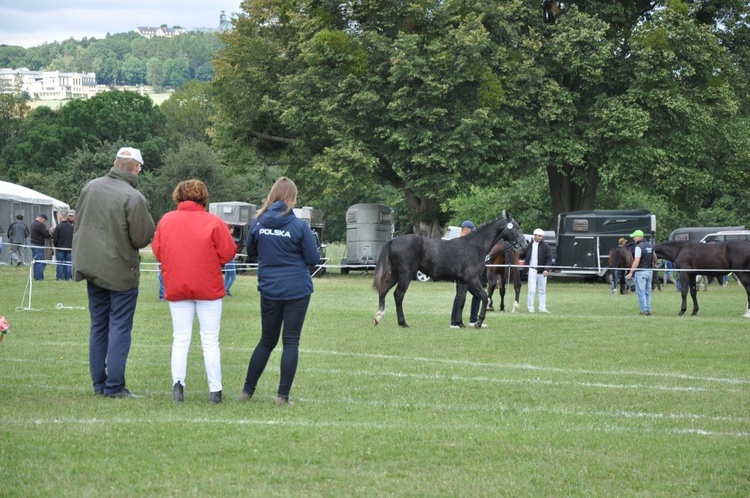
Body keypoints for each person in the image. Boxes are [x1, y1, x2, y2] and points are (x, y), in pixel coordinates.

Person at [73, 146, 156, 398]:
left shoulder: (90, 187)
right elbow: (142, 238)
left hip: (92, 266)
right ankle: (115, 387)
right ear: (137, 169)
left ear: (115, 163)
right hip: (120, 270)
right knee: (119, 327)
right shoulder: (134, 197)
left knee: (98, 325)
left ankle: (100, 384)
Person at [152, 180, 237, 404]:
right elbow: (228, 252)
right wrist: (211, 261)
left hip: (177, 285)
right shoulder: (214, 222)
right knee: (210, 340)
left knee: (180, 339)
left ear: (178, 196)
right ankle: (215, 391)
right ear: (203, 197)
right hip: (208, 286)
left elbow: (158, 251)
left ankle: (178, 387)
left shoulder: (167, 220)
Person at [239, 177, 320, 406]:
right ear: (292, 198)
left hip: (269, 289)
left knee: (266, 340)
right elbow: (313, 258)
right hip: (297, 289)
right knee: (291, 342)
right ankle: (282, 397)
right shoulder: (299, 226)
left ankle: (247, 391)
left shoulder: (258, 222)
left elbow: (251, 251)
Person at [450, 220, 487, 328]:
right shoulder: (458, 242)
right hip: (460, 274)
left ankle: (473, 320)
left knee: (477, 295)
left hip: (469, 275)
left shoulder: (467, 242)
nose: (472, 233)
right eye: (471, 231)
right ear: (465, 229)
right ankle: (453, 322)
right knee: (459, 296)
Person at [521, 228, 553, 313]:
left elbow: (549, 259)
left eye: (541, 236)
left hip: (542, 271)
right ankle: (530, 307)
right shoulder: (529, 246)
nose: (540, 237)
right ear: (534, 236)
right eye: (539, 236)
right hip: (532, 270)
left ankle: (542, 308)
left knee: (542, 290)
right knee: (531, 290)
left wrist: (547, 269)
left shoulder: (546, 246)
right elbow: (522, 255)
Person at [625, 229, 654, 316]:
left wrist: (631, 273)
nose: (633, 239)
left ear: (638, 237)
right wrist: (655, 264)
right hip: (650, 271)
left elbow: (636, 260)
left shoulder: (638, 247)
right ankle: (648, 309)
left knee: (641, 292)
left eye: (634, 237)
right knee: (647, 292)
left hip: (641, 272)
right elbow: (655, 256)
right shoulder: (650, 245)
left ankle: (644, 311)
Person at [52, 211, 74, 280]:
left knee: (60, 264)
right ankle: (68, 277)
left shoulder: (58, 227)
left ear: (61, 217)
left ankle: (59, 277)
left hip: (60, 248)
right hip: (70, 248)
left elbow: (55, 238)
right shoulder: (71, 227)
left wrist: (56, 245)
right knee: (68, 264)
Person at [30, 213, 52, 280]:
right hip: (39, 245)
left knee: (35, 262)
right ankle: (39, 277)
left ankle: (36, 276)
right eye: (44, 221)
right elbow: (46, 234)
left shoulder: (33, 223)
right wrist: (50, 231)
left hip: (33, 244)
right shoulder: (40, 225)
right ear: (42, 218)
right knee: (40, 262)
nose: (44, 222)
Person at [224, 224, 237, 296]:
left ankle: (224, 290)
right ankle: (226, 289)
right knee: (233, 276)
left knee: (227, 275)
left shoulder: (225, 237)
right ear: (230, 229)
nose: (233, 230)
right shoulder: (229, 237)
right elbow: (232, 247)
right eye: (233, 229)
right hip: (230, 259)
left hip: (227, 258)